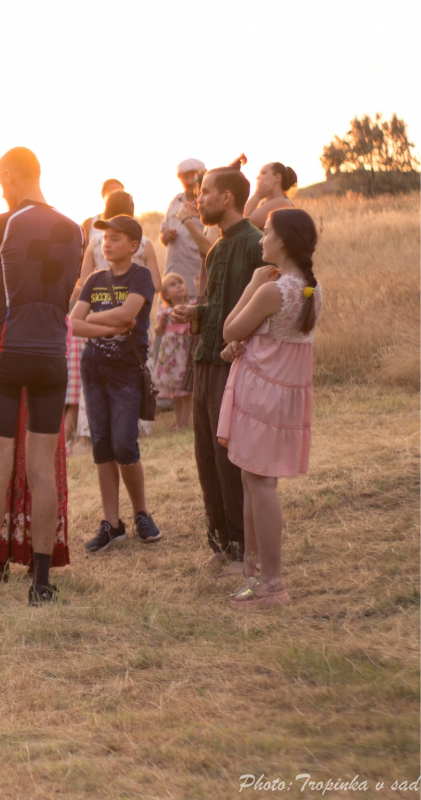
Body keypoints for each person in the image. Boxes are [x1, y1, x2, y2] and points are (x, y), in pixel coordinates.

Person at [0, 146, 82, 605]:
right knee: (42, 470)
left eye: (0, 181)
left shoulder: (1, 224)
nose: (1, 190)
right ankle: (42, 584)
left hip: (6, 353)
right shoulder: (74, 228)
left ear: (10, 175)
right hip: (53, 354)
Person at [217, 208, 321, 609]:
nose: (261, 239)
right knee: (255, 481)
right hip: (283, 394)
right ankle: (254, 572)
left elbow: (230, 328)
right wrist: (245, 343)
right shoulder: (311, 289)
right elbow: (272, 334)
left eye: (267, 233)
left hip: (262, 395)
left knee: (259, 484)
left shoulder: (271, 288)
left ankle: (272, 583)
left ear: (284, 241)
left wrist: (251, 284)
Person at [171, 166, 266, 576]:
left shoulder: (255, 245)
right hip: (204, 362)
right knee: (206, 456)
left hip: (237, 365)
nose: (199, 200)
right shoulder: (214, 250)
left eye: (206, 192)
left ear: (227, 197)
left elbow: (267, 305)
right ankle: (222, 543)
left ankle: (245, 549)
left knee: (231, 457)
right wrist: (196, 311)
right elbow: (219, 305)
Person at [70, 215, 162, 551]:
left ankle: (141, 513)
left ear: (134, 245)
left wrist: (94, 319)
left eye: (116, 238)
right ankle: (112, 523)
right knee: (102, 445)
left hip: (126, 371)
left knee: (125, 444)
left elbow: (128, 315)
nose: (106, 243)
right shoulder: (94, 280)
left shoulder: (142, 277)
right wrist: (108, 327)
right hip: (94, 369)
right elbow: (73, 325)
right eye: (104, 238)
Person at [0, 317, 71, 576]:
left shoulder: (58, 317)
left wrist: (4, 359)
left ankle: (37, 559)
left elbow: (60, 353)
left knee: (38, 474)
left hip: (39, 405)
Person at [160, 159, 212, 301]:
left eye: (193, 176)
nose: (189, 181)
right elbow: (162, 233)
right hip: (170, 281)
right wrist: (165, 235)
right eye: (185, 177)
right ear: (179, 178)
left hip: (194, 280)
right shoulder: (176, 200)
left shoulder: (207, 203)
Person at [153, 274, 193, 430]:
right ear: (166, 295)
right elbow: (157, 332)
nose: (179, 285)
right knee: (176, 392)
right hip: (171, 357)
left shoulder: (192, 308)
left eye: (180, 282)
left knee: (186, 391)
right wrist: (161, 322)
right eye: (173, 284)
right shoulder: (165, 312)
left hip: (185, 354)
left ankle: (184, 422)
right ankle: (179, 421)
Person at [244, 162, 297, 231]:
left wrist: (257, 195)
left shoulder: (281, 203)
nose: (258, 177)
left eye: (263, 173)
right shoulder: (264, 202)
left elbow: (248, 222)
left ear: (277, 178)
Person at [82, 179, 125, 245]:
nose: (116, 196)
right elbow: (83, 252)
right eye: (112, 191)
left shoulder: (131, 223)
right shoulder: (89, 223)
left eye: (120, 193)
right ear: (103, 194)